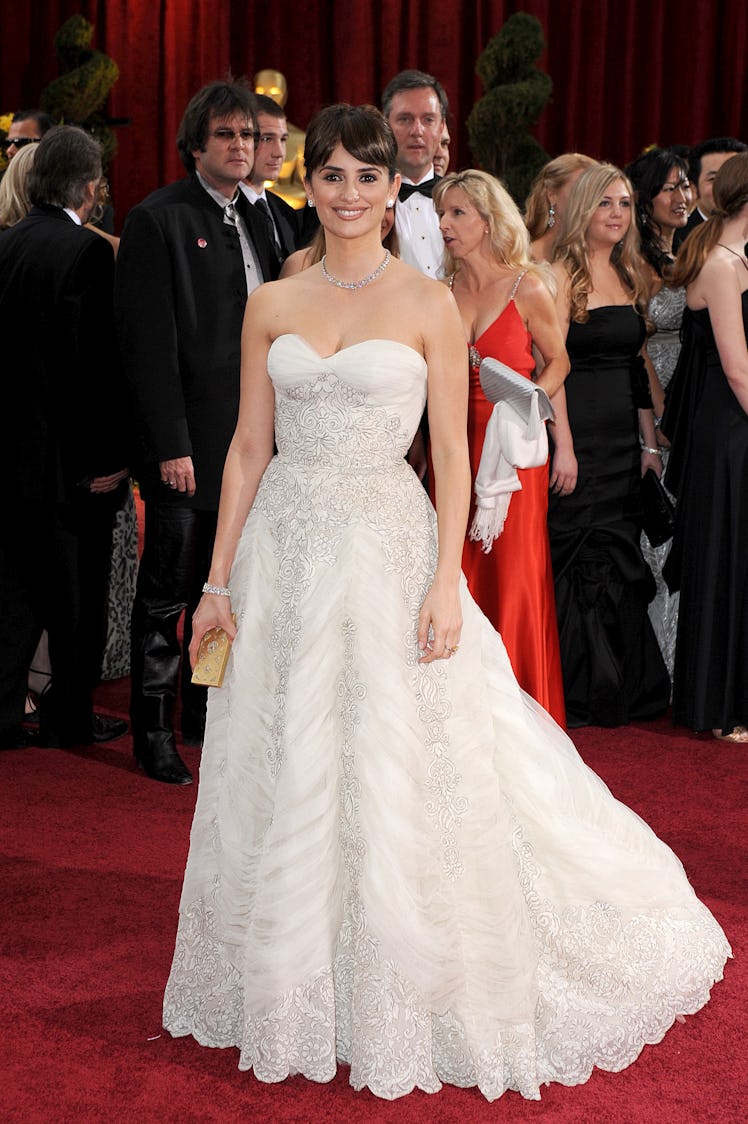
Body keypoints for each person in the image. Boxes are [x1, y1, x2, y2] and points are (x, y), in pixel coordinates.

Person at [162, 104, 729, 1103]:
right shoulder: (273, 304)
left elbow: (456, 456)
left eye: (365, 177)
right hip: (284, 546)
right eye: (329, 176)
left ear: (393, 191)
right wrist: (215, 581)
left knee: (397, 751)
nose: (346, 193)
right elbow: (247, 448)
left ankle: (394, 968)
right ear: (310, 183)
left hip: (387, 539)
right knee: (285, 748)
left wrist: (441, 579)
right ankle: (297, 968)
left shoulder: (426, 302)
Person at [116, 80, 277, 785]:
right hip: (186, 449)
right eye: (226, 136)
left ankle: (204, 714)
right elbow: (146, 345)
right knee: (167, 595)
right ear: (195, 146)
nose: (241, 147)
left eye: (249, 136)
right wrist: (171, 443)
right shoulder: (159, 219)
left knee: (230, 587)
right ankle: (150, 731)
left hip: (253, 439)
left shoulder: (268, 217)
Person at [0, 125, 129, 750]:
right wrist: (108, 458)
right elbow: (93, 369)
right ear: (90, 186)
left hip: (12, 462)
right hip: (69, 468)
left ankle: (4, 713)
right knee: (75, 602)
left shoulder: (6, 243)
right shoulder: (86, 254)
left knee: (14, 594)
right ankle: (69, 716)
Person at [433, 169, 568, 725]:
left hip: (511, 453)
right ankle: (458, 714)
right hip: (451, 446)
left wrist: (530, 401)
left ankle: (519, 714)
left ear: (489, 221)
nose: (444, 224)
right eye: (443, 213)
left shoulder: (528, 286)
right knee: (454, 572)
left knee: (512, 575)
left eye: (458, 213)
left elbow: (559, 360)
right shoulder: (438, 294)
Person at [548, 163, 670, 727]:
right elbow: (550, 368)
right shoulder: (554, 275)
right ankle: (577, 688)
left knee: (619, 548)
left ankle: (623, 686)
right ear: (582, 210)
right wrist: (564, 446)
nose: (618, 214)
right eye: (606, 204)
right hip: (573, 432)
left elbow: (633, 368)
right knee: (577, 548)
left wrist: (649, 445)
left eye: (624, 204)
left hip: (622, 435)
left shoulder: (631, 271)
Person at [665, 152, 748, 741]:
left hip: (738, 424)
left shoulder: (735, 256)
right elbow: (737, 368)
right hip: (729, 430)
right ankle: (719, 707)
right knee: (728, 557)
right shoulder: (720, 264)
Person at [625, 147, 692, 679]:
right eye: (669, 187)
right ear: (645, 200)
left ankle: (679, 655)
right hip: (650, 395)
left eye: (686, 184)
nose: (683, 195)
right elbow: (639, 342)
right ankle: (656, 659)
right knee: (656, 520)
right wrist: (661, 409)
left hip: (685, 387)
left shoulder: (686, 252)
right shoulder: (635, 258)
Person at [382, 68, 448, 277]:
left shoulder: (467, 201)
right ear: (385, 125)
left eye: (428, 119)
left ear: (441, 127)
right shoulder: (362, 201)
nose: (417, 131)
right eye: (405, 119)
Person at [241, 93, 301, 269]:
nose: (280, 152)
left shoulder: (286, 213)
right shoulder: (223, 210)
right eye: (267, 139)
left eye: (283, 139)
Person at [673, 136, 748, 250]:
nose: (724, 186)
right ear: (693, 187)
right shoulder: (680, 241)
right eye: (713, 179)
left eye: (734, 178)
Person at [524, 152, 598, 263]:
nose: (588, 201)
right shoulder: (524, 259)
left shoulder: (606, 259)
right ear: (552, 195)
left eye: (595, 193)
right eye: (579, 191)